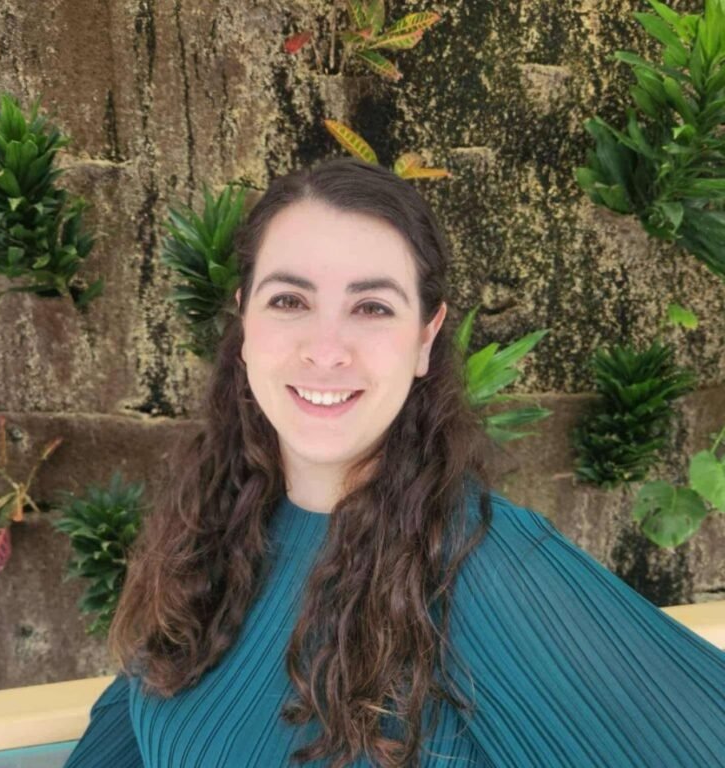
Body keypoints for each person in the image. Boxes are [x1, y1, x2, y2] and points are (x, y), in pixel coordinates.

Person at [64, 158, 725, 768]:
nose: (327, 350)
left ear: (424, 339)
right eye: (289, 301)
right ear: (244, 326)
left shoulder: (486, 569)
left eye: (372, 307)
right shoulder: (210, 525)